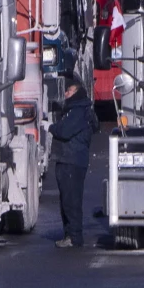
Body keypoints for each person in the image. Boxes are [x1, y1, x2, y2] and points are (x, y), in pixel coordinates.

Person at [49, 81, 99, 248]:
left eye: (69, 90)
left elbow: (63, 131)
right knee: (67, 200)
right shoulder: (74, 110)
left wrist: (52, 127)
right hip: (69, 160)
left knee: (71, 201)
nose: (66, 94)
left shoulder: (77, 111)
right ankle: (70, 234)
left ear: (77, 92)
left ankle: (74, 237)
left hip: (72, 161)